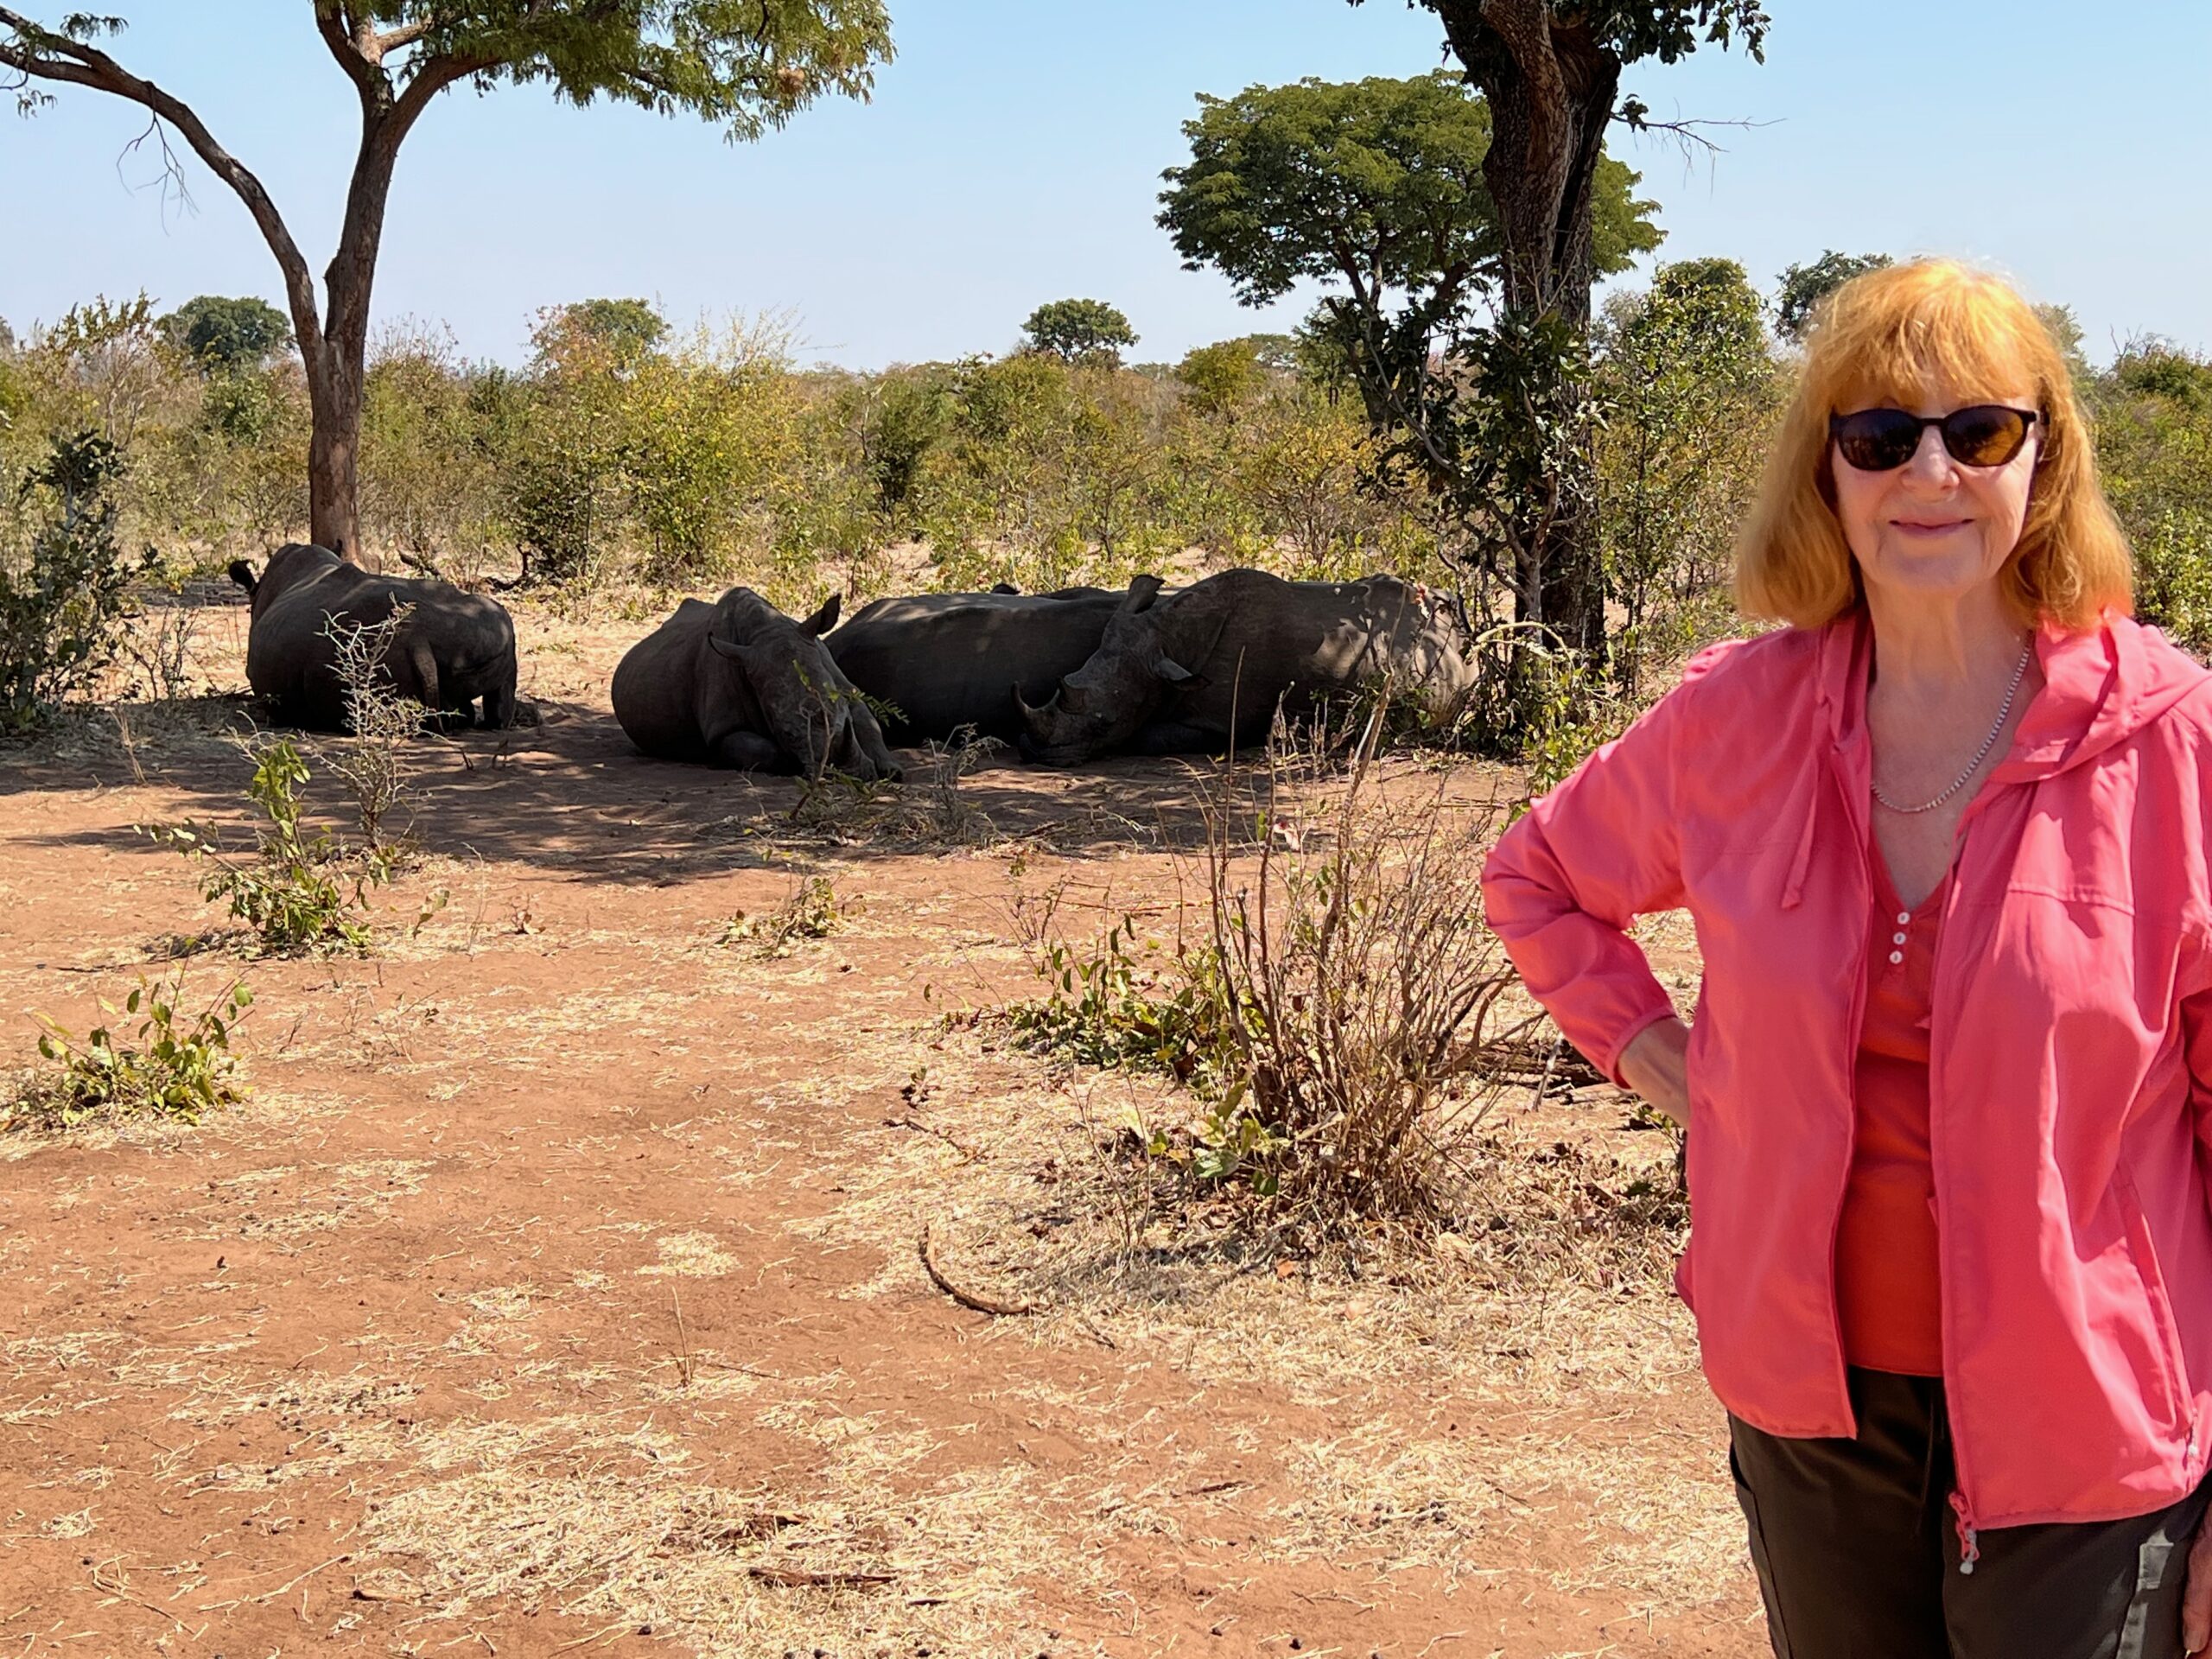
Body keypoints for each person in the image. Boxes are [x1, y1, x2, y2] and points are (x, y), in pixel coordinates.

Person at [1481, 258, 2212, 1657]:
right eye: (1880, 435)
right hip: (1811, 1404)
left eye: (1980, 432)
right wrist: (1670, 1066)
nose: (1928, 472)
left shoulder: (2172, 741)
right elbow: (1539, 881)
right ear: (1828, 472)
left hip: (2091, 1420)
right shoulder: (1733, 724)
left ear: (2044, 464)